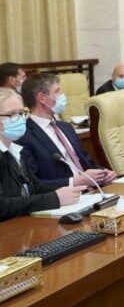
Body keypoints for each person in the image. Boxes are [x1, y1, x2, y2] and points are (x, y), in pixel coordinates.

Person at [0, 88, 87, 221]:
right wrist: (55, 198)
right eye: (11, 114)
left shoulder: (15, 149)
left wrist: (67, 190)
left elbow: (34, 186)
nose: (19, 119)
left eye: (21, 113)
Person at [18, 73, 117, 188]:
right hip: (65, 195)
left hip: (94, 191)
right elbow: (33, 184)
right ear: (42, 98)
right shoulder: (24, 136)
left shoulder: (66, 127)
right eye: (57, 91)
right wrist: (76, 181)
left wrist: (103, 173)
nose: (62, 95)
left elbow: (86, 162)